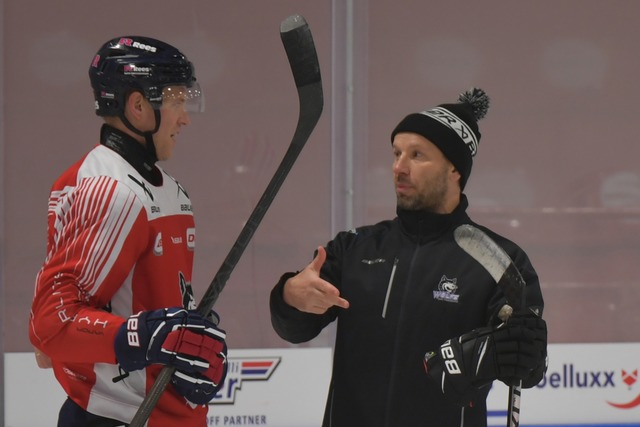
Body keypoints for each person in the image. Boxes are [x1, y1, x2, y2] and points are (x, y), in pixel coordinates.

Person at [269, 88, 548, 426]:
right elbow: (295, 328)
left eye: (417, 155)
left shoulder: (499, 260)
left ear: (454, 170)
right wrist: (289, 296)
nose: (398, 167)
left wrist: (519, 352)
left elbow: (528, 365)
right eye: (396, 153)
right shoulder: (355, 247)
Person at [29, 36, 228, 427]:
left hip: (160, 412)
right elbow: (51, 324)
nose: (184, 117)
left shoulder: (166, 189)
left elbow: (150, 304)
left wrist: (189, 335)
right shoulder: (112, 191)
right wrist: (144, 337)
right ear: (138, 106)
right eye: (175, 102)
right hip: (119, 416)